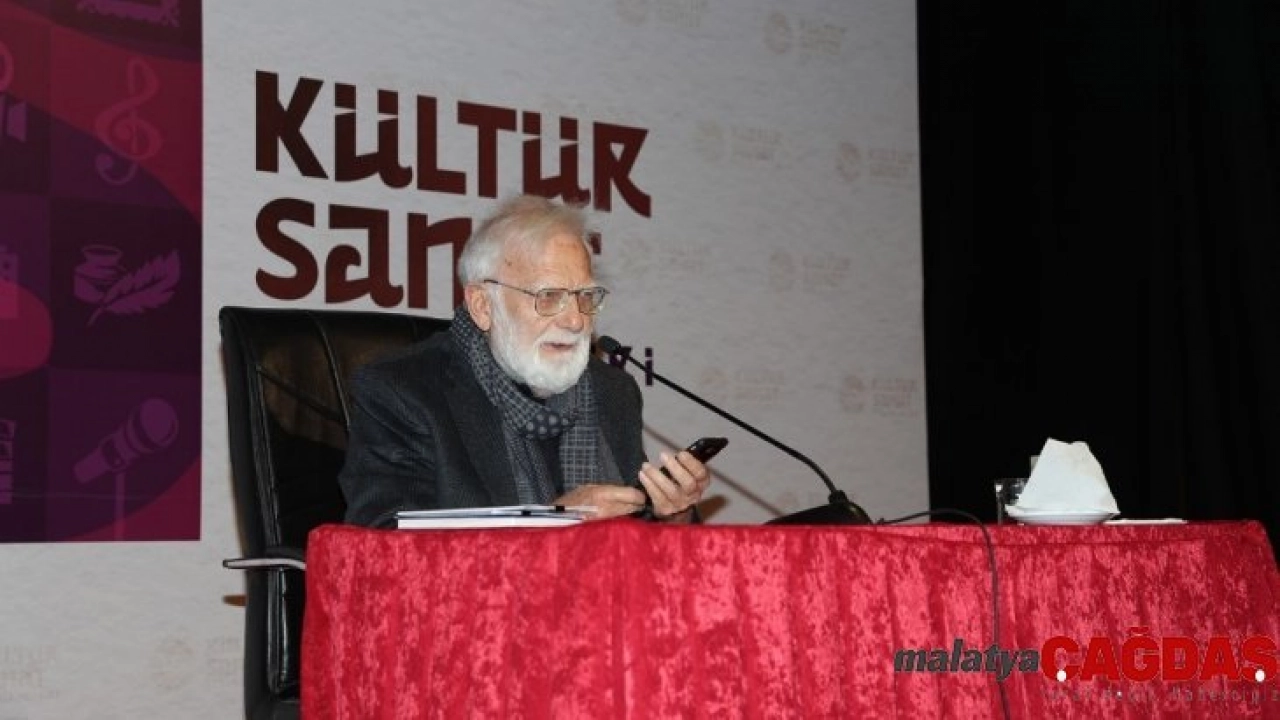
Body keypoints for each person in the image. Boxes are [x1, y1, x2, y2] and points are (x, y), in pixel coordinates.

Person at [339, 195, 711, 527]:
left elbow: (643, 538)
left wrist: (672, 514)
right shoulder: (404, 392)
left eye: (585, 296)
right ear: (483, 306)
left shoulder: (612, 391)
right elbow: (385, 542)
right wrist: (550, 522)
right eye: (549, 297)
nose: (575, 320)